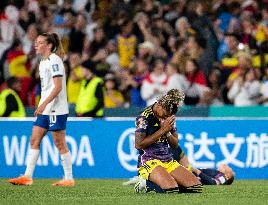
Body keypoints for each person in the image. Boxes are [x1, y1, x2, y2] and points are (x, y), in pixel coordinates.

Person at [8, 32, 74, 186]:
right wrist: (42, 105)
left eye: (39, 42)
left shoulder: (55, 60)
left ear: (49, 45)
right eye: (35, 42)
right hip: (44, 108)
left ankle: (69, 178)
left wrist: (44, 104)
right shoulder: (43, 62)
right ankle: (27, 176)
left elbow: (57, 87)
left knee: (59, 143)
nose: (36, 44)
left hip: (56, 109)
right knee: (34, 139)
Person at [135, 89, 203, 194]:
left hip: (168, 160)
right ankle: (145, 183)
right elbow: (138, 145)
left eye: (169, 116)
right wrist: (162, 130)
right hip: (149, 161)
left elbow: (175, 144)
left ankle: (167, 181)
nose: (166, 117)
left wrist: (167, 133)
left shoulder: (169, 116)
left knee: (196, 187)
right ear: (160, 105)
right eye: (165, 114)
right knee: (171, 189)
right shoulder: (144, 117)